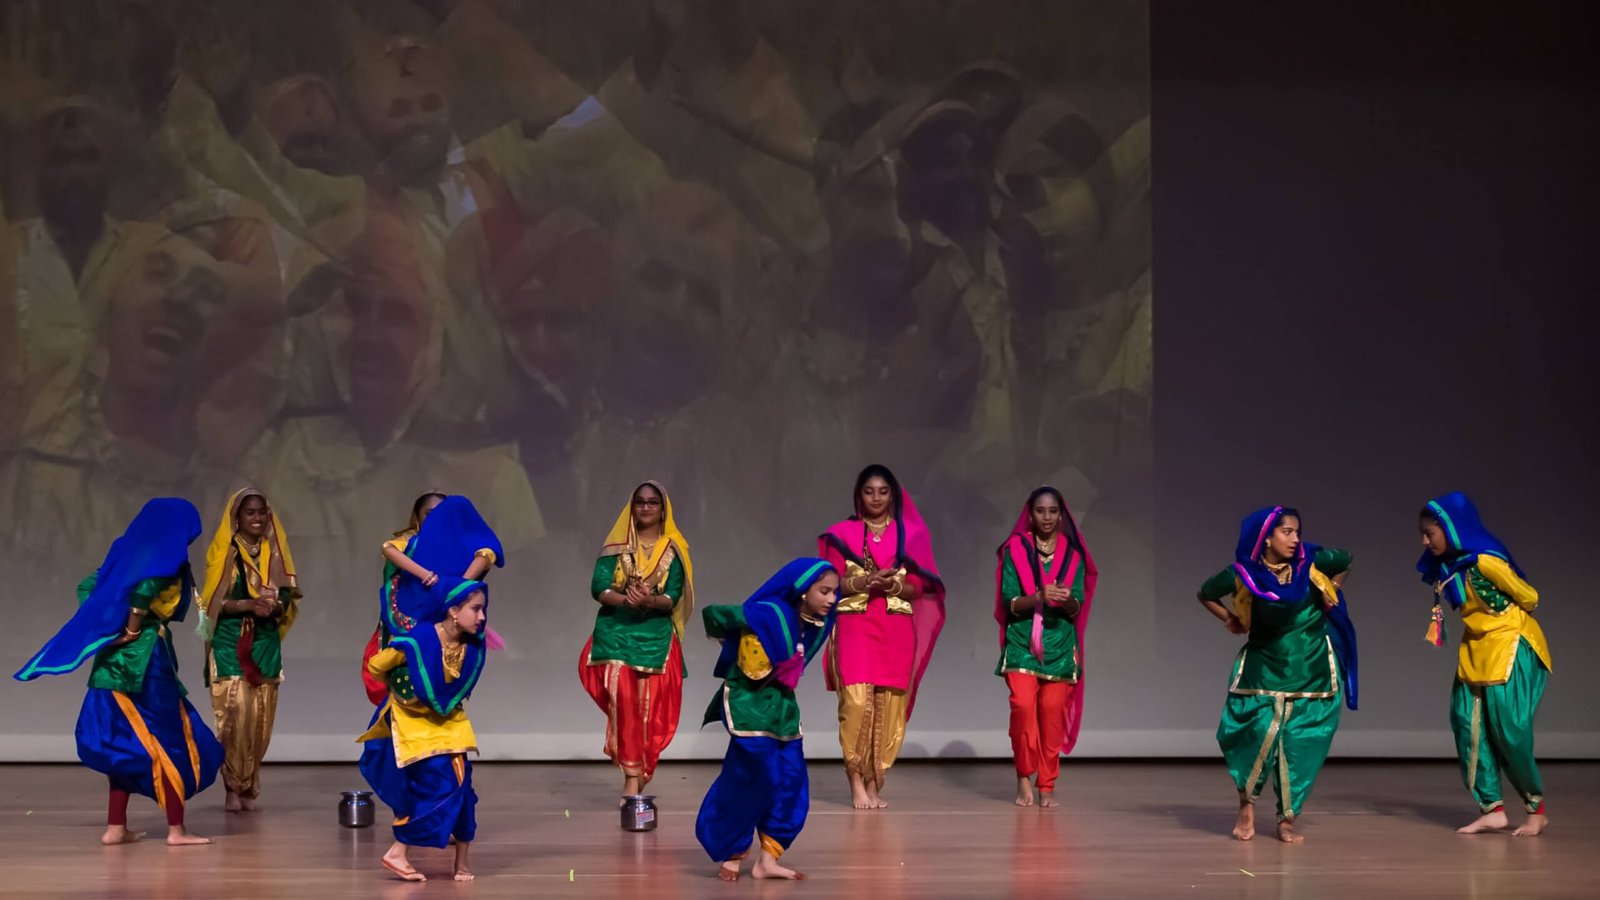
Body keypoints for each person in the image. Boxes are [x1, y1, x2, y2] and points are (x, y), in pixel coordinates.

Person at [13, 498, 221, 845]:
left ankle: (115, 828)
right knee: (167, 738)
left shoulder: (124, 551)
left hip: (111, 663)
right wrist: (135, 625)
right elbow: (145, 590)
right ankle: (176, 830)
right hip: (145, 661)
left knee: (124, 742)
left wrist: (110, 623)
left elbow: (89, 587)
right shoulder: (164, 553)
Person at [1196, 506, 1358, 843]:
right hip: (1263, 667)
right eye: (1287, 532)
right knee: (1253, 738)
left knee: (1301, 746)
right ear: (1267, 537)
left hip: (1310, 669)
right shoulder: (1244, 574)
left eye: (1298, 532)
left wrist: (1331, 594)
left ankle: (1287, 819)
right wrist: (1231, 619)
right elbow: (1206, 592)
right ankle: (1246, 807)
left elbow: (1345, 559)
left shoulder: (1311, 564)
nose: (1296, 539)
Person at [695, 558, 840, 882]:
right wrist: (732, 643)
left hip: (783, 707)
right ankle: (732, 850)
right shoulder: (769, 613)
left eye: (835, 592)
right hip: (748, 702)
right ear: (803, 592)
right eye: (825, 591)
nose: (832, 599)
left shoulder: (818, 623)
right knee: (752, 776)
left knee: (791, 778)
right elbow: (713, 615)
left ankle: (768, 859)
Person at [1418, 491, 1551, 836]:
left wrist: (1504, 617)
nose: (1425, 540)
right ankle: (1492, 808)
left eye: (1430, 533)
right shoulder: (1446, 569)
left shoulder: (1484, 562)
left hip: (1510, 645)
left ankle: (1535, 809)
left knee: (1510, 729)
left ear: (1451, 529)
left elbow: (1530, 597)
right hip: (1475, 650)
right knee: (1467, 724)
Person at [817, 464, 945, 809]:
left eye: (883, 491)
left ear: (893, 495)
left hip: (894, 629)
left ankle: (876, 783)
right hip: (855, 626)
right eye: (869, 491)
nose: (876, 497)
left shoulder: (911, 535)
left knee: (889, 708)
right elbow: (827, 583)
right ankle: (856, 782)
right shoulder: (840, 534)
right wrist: (861, 583)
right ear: (859, 494)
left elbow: (923, 586)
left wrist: (896, 585)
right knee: (857, 704)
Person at [359, 574, 490, 882]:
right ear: (453, 611)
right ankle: (398, 851)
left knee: (463, 788)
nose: (482, 617)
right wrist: (404, 683)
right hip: (415, 725)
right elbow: (377, 666)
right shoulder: (417, 641)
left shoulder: (472, 647)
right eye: (475, 609)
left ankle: (461, 863)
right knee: (446, 785)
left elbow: (456, 690)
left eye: (484, 609)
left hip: (449, 724)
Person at [579, 481, 693, 805]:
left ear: (662, 509)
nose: (645, 508)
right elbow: (598, 587)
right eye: (640, 502)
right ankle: (631, 775)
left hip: (656, 637)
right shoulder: (617, 546)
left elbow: (673, 596)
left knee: (653, 709)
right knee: (625, 702)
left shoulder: (674, 549)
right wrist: (625, 600)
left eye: (652, 503)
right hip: (616, 632)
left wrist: (649, 601)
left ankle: (642, 767)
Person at [993, 486, 1098, 808]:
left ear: (1062, 514)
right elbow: (1009, 603)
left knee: (1052, 715)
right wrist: (1039, 596)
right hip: (1023, 642)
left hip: (1060, 645)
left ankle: (1047, 783)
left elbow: (1076, 607)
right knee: (1023, 707)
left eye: (1053, 511)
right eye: (1041, 511)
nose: (1048, 517)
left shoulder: (1073, 556)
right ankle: (1024, 775)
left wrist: (1066, 601)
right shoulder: (1016, 550)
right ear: (1031, 513)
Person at [197, 488, 300, 812]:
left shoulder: (275, 552)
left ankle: (250, 785)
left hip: (265, 644)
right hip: (231, 643)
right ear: (236, 518)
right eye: (250, 513)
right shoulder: (223, 552)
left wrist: (275, 606)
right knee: (234, 716)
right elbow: (211, 604)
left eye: (262, 512)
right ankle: (231, 785)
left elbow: (289, 596)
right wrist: (247, 604)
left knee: (261, 720)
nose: (257, 518)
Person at [361, 491, 446, 705]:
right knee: (404, 686)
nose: (436, 520)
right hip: (405, 624)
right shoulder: (406, 542)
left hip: (441, 624)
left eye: (444, 515)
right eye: (429, 514)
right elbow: (387, 549)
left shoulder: (455, 546)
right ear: (417, 518)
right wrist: (425, 575)